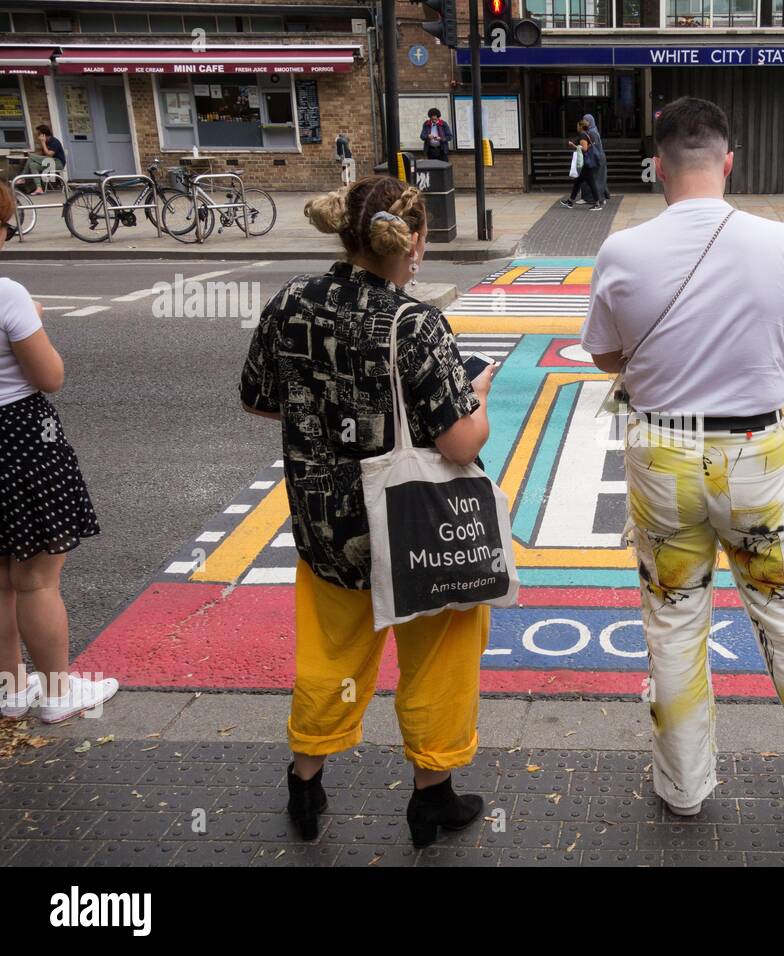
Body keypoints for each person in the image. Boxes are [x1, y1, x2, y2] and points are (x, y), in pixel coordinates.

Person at [580, 97, 784, 820]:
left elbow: (608, 354)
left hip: (662, 451)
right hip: (752, 451)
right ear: (728, 160)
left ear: (657, 166)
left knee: (674, 620)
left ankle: (684, 785)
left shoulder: (622, 251)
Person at [239, 175, 497, 847]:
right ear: (413, 242)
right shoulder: (414, 323)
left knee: (330, 656)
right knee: (438, 654)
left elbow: (261, 397)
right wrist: (479, 393)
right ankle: (431, 797)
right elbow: (459, 439)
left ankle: (305, 782)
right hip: (415, 527)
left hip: (325, 526)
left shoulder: (290, 301)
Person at [0, 181, 115, 725]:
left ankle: (9, 688)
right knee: (37, 578)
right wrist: (35, 321)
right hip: (19, 438)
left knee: (0, 580)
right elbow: (50, 376)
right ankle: (56, 693)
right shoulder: (8, 295)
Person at [560, 118, 597, 210]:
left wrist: (573, 145)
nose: (576, 127)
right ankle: (570, 201)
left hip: (585, 163)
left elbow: (584, 148)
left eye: (577, 125)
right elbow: (590, 145)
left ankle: (597, 203)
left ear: (581, 127)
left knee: (591, 183)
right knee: (577, 182)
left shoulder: (583, 135)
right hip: (585, 163)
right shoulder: (587, 134)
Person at [18, 125, 65, 195]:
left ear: (43, 134)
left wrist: (43, 143)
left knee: (31, 156)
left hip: (58, 163)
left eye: (38, 134)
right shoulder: (46, 142)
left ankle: (23, 177)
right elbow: (44, 157)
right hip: (49, 162)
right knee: (33, 165)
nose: (37, 137)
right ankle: (39, 188)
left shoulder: (55, 141)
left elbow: (49, 155)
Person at [580, 112, 610, 211]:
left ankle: (599, 199)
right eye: (584, 120)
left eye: (587, 121)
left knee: (596, 179)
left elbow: (593, 145)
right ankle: (595, 198)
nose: (585, 122)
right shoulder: (593, 130)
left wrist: (582, 147)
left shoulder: (592, 132)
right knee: (597, 178)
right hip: (597, 157)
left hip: (596, 158)